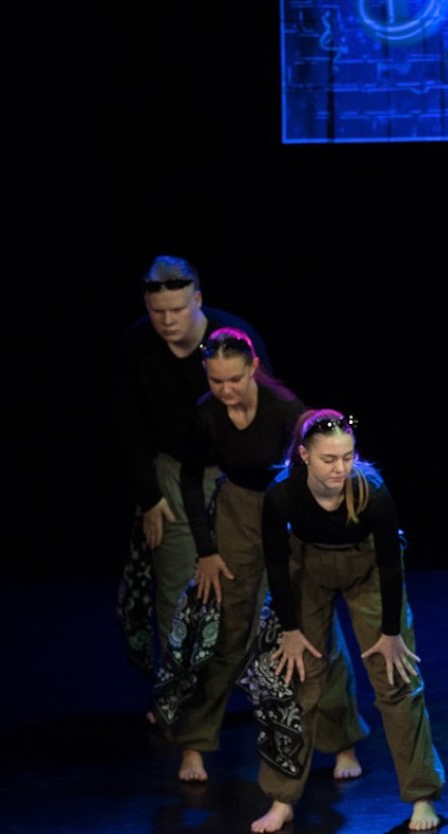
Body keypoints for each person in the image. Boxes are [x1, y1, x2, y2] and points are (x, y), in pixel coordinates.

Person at [171, 329, 365, 783]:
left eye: (234, 380)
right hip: (237, 511)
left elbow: (320, 464)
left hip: (288, 505)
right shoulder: (206, 413)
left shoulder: (284, 409)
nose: (225, 390)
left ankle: (342, 742)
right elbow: (189, 480)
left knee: (314, 625)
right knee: (227, 627)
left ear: (253, 367)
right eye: (216, 381)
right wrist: (206, 551)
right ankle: (194, 743)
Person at [256, 410, 445, 833]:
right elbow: (276, 565)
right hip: (310, 569)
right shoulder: (282, 494)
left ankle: (422, 795)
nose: (340, 468)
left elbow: (390, 564)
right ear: (304, 455)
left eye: (347, 457)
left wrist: (391, 632)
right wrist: (290, 630)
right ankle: (282, 797)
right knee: (299, 677)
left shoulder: (371, 491)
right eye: (329, 459)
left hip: (369, 570)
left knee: (396, 677)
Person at [118, 256, 270, 679]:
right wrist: (150, 496)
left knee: (255, 583)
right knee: (176, 586)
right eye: (157, 311)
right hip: (174, 472)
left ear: (197, 300)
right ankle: (179, 692)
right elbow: (129, 425)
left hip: (234, 475)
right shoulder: (137, 344)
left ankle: (265, 686)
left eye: (177, 309)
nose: (167, 320)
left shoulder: (234, 337)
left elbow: (268, 412)